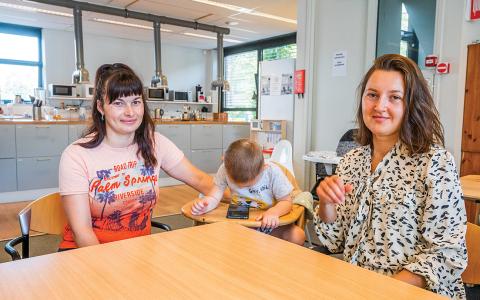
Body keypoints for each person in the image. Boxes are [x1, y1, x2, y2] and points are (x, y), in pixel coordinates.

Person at [314, 54, 467, 299]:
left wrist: (382, 292)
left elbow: (446, 254)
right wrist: (326, 202)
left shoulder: (434, 163)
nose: (379, 106)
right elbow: (334, 241)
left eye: (394, 97)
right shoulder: (352, 161)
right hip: (355, 285)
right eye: (372, 94)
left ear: (411, 105)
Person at [58, 63, 213, 249]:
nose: (130, 112)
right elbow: (81, 232)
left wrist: (251, 200)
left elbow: (201, 180)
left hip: (137, 253)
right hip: (87, 254)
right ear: (101, 106)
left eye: (136, 102)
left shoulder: (154, 142)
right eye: (118, 103)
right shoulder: (77, 155)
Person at [191, 139, 305, 245]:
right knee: (206, 238)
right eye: (237, 185)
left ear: (263, 168)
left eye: (249, 185)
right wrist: (206, 204)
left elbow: (286, 202)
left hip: (268, 223)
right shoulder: (225, 169)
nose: (243, 189)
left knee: (297, 236)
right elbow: (214, 197)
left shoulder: (272, 172)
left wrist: (273, 212)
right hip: (238, 222)